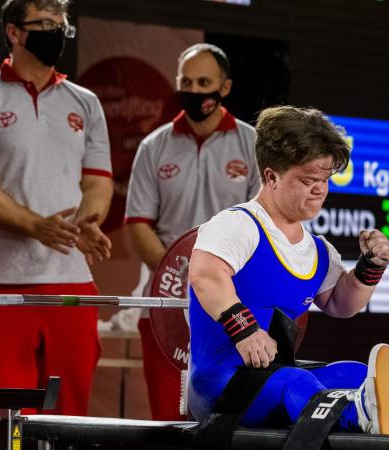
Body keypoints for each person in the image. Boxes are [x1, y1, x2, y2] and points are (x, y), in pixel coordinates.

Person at [187, 105, 389, 433]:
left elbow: (341, 304)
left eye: (324, 179)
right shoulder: (237, 224)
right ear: (271, 177)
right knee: (297, 380)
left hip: (267, 375)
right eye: (308, 180)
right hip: (219, 384)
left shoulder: (319, 250)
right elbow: (205, 274)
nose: (320, 189)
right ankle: (359, 414)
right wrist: (246, 330)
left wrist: (370, 267)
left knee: (355, 373)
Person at [0, 0, 113, 416]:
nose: (55, 32)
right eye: (44, 24)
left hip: (72, 286)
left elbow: (97, 182)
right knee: (6, 422)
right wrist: (36, 226)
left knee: (70, 420)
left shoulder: (85, 101)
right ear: (14, 32)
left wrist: (88, 220)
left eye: (61, 24)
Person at [124, 43, 260, 420]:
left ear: (226, 87)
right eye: (187, 81)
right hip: (167, 304)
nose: (196, 90)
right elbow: (137, 224)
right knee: (169, 418)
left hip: (235, 299)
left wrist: (212, 279)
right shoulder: (154, 146)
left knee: (228, 420)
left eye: (205, 82)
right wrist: (180, 273)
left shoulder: (253, 144)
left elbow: (263, 224)